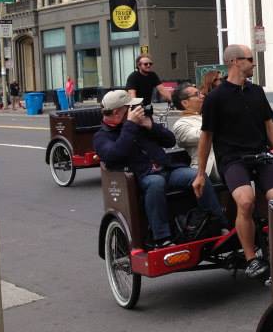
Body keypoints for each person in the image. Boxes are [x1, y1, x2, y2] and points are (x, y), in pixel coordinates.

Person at [192, 44, 273, 279]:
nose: (254, 63)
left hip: (260, 155)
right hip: (232, 159)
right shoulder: (215, 97)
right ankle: (251, 258)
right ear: (235, 61)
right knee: (245, 201)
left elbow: (269, 124)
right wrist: (201, 173)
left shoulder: (256, 91)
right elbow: (206, 137)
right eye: (250, 59)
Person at [94, 90, 226, 248]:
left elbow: (170, 141)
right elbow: (114, 155)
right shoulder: (102, 136)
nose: (137, 109)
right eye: (131, 107)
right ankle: (162, 237)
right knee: (155, 183)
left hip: (167, 169)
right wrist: (129, 125)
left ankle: (218, 223)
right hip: (140, 177)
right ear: (117, 112)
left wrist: (151, 126)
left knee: (197, 175)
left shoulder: (140, 125)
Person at [172, 84, 219, 182]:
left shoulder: (204, 116)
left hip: (227, 159)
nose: (202, 96)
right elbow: (202, 135)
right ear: (185, 103)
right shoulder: (180, 124)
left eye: (201, 93)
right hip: (210, 166)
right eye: (197, 94)